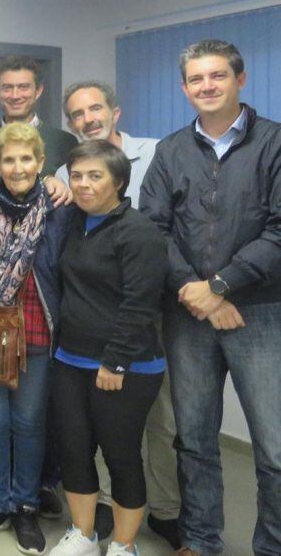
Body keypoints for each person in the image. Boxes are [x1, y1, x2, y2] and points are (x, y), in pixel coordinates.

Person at [140, 39, 281, 556]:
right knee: (194, 440)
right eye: (197, 79)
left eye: (217, 76)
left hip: (261, 312)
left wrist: (220, 286)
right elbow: (154, 230)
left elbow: (280, 231)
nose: (207, 86)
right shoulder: (170, 151)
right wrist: (193, 291)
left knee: (275, 448)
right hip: (188, 314)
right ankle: (200, 540)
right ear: (184, 88)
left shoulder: (275, 143)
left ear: (240, 79)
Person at [55, 80, 179, 548]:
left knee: (123, 454)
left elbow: (139, 304)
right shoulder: (71, 222)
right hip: (71, 360)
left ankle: (124, 544)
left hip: (125, 365)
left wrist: (116, 361)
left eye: (95, 177)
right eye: (77, 177)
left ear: (119, 182)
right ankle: (82, 534)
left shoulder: (138, 231)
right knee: (74, 451)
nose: (84, 185)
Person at [0, 122, 72, 556]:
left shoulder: (60, 208)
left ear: (41, 163)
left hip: (38, 332)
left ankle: (25, 505)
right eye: (9, 159)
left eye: (27, 159)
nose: (18, 167)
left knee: (28, 425)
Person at [0, 55, 77, 176]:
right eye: (7, 88)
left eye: (23, 87)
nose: (15, 95)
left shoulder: (65, 142)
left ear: (38, 91)